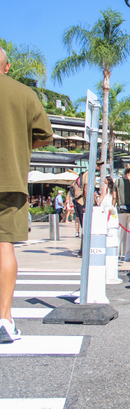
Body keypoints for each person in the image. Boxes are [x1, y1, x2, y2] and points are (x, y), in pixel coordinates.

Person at [0, 46, 53, 343]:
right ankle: (4, 319)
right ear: (7, 67)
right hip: (9, 180)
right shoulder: (24, 94)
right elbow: (44, 136)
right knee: (3, 246)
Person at [74, 160, 104, 256]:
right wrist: (87, 204)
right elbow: (86, 188)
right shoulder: (89, 174)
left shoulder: (89, 174)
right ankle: (83, 250)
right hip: (83, 202)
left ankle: (84, 249)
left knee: (86, 227)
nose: (100, 167)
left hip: (82, 202)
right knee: (86, 227)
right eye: (98, 164)